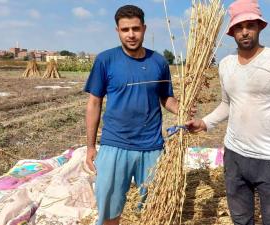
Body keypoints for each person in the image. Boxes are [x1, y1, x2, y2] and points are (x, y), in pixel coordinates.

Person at [185, 0, 270, 224]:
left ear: (259, 26)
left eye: (250, 25)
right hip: (234, 156)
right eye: (239, 27)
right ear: (231, 33)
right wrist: (205, 123)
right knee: (241, 220)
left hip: (268, 159)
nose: (245, 32)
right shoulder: (226, 64)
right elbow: (227, 104)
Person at [84, 5, 180, 225]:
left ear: (144, 29)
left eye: (136, 28)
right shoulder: (105, 60)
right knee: (108, 210)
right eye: (125, 29)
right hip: (114, 145)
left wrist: (182, 110)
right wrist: (90, 147)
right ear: (117, 30)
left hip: (152, 148)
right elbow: (94, 103)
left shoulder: (159, 62)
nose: (131, 34)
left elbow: (167, 98)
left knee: (157, 211)